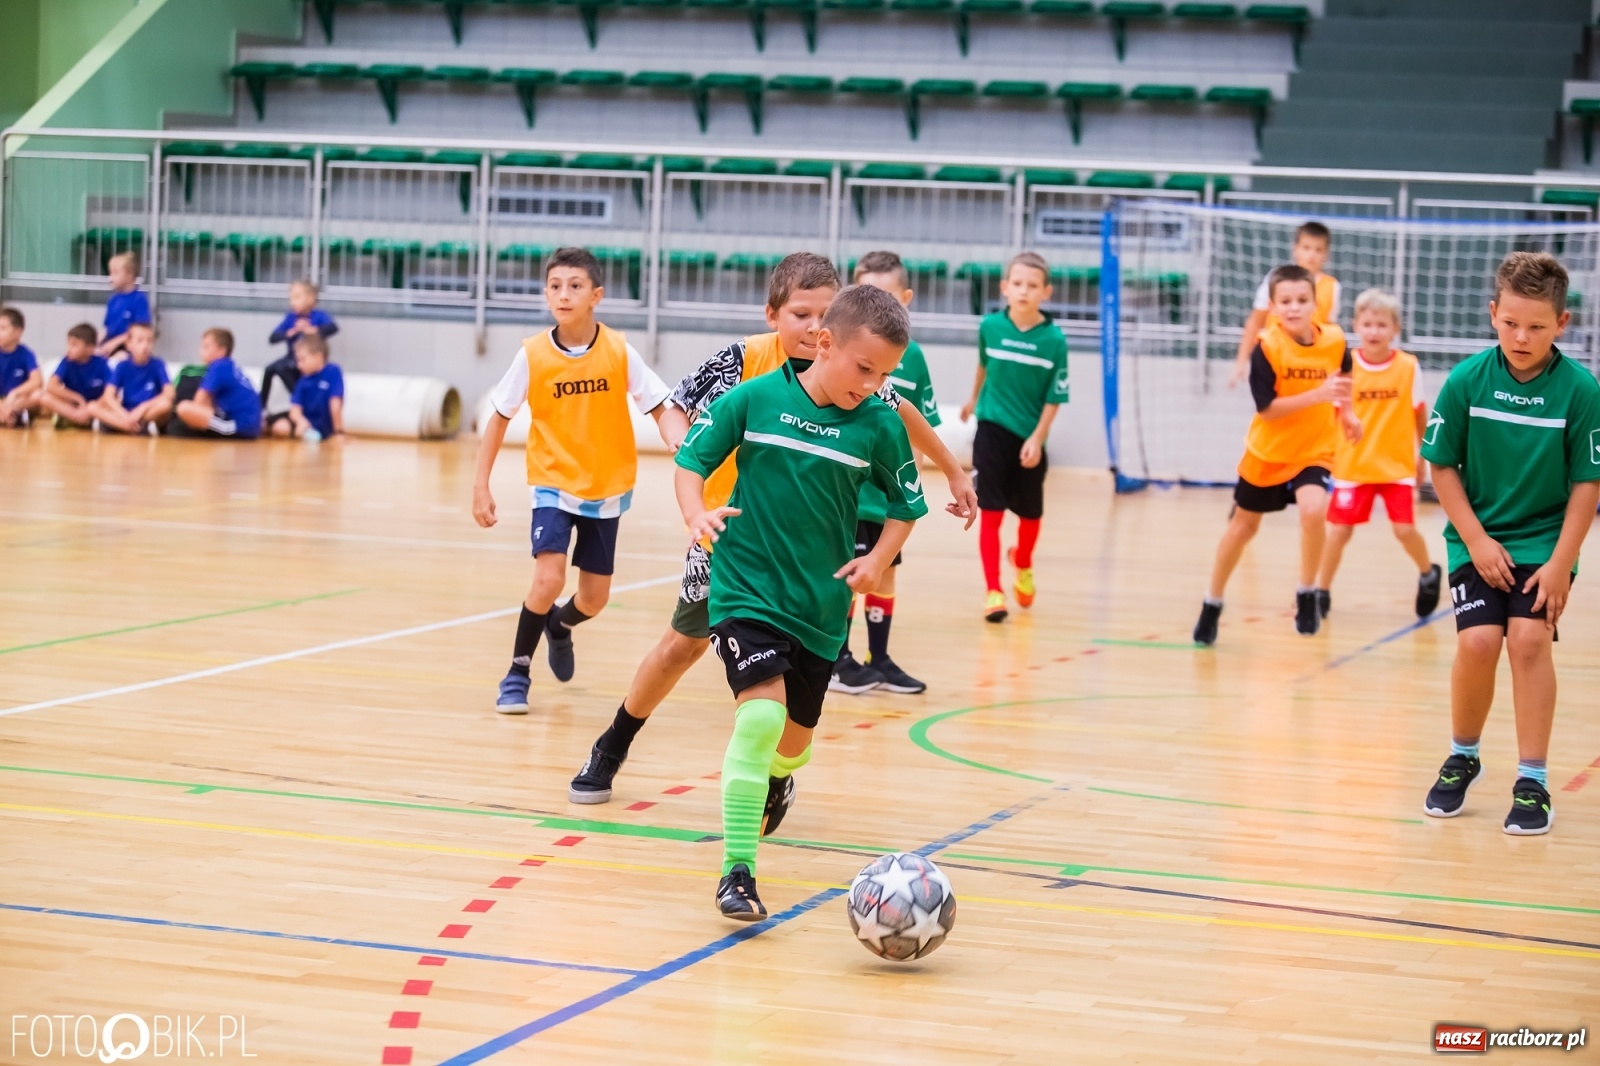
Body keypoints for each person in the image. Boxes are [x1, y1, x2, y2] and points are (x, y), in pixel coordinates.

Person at [564, 252, 974, 805]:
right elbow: (676, 406)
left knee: (789, 688)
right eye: (801, 314)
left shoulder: (856, 373)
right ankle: (613, 743)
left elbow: (902, 412)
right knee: (680, 647)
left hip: (803, 553)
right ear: (773, 314)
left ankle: (777, 775)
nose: (813, 326)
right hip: (728, 537)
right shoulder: (743, 361)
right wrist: (688, 457)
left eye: (824, 314)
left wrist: (953, 471)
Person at [675, 284, 929, 920]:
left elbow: (905, 507)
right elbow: (689, 462)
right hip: (746, 587)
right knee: (759, 720)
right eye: (864, 368)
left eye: (885, 375)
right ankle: (737, 872)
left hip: (820, 606)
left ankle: (779, 776)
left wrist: (877, 560)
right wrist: (696, 513)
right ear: (824, 342)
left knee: (792, 746)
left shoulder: (878, 426)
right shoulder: (755, 399)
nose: (872, 385)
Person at [1420, 252, 1600, 836]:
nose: (1521, 337)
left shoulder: (1581, 391)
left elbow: (1588, 483)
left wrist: (1561, 563)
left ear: (1562, 323)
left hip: (1545, 541)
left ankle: (1533, 781)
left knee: (1528, 640)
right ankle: (1462, 755)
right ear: (1493, 313)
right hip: (1477, 537)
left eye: (1537, 326)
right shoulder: (1467, 380)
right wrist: (1475, 540)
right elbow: (1441, 467)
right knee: (1477, 643)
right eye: (1511, 323)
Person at [473, 246, 687, 715]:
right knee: (548, 579)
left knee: (594, 599)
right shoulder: (532, 354)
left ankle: (560, 625)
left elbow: (659, 404)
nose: (563, 295)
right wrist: (481, 485)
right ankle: (517, 673)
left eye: (574, 286)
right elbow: (499, 417)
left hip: (606, 486)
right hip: (552, 480)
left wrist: (678, 439)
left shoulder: (618, 350)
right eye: (555, 286)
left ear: (596, 295)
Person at [1193, 264, 1355, 646]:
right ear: (1272, 305)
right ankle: (1212, 601)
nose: (1294, 307)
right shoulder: (1266, 348)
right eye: (1285, 301)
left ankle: (1307, 591)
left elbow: (1345, 374)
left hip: (1315, 447)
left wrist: (1348, 414)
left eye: (1301, 300)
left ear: (1315, 303)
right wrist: (1318, 395)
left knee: (1314, 510)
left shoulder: (1334, 340)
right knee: (1243, 528)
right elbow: (1267, 410)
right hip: (1269, 451)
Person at [832, 250, 943, 695]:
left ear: (906, 299)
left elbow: (922, 424)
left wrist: (912, 481)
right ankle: (837, 660)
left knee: (885, 571)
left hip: (887, 491)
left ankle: (879, 657)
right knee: (847, 571)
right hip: (851, 488)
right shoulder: (844, 357)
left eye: (887, 296)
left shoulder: (912, 358)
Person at [1312, 288, 1441, 618]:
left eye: (1382, 325)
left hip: (1396, 466)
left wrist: (1422, 458)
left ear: (1395, 328)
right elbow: (1330, 416)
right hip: (1352, 464)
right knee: (1339, 532)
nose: (1374, 331)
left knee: (1404, 530)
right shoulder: (1345, 366)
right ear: (1356, 325)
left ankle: (1428, 574)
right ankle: (1320, 591)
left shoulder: (1408, 367)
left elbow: (1420, 416)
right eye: (1367, 324)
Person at [959, 251, 1069, 623]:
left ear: (1046, 292)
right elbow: (983, 365)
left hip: (1029, 438)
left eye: (1032, 285)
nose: (1024, 291)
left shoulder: (1054, 340)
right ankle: (993, 590)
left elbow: (1055, 396)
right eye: (1017, 283)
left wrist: (1037, 438)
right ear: (1005, 287)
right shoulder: (990, 327)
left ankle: (1022, 560)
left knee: (1031, 516)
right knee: (990, 512)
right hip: (991, 430)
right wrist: (973, 399)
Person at [1228, 221, 1339, 388]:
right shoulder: (1276, 279)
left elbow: (1328, 330)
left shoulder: (1332, 287)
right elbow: (1256, 321)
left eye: (1318, 250)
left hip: (1311, 365)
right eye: (1306, 248)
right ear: (1295, 249)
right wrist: (1241, 361)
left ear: (1326, 254)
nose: (1311, 255)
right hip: (1276, 358)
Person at [263, 280, 339, 430]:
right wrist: (289, 333)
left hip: (311, 360)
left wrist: (313, 330)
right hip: (292, 358)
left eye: (297, 297)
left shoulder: (318, 316)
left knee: (287, 370)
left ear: (310, 299)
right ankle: (261, 407)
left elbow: (333, 328)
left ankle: (302, 404)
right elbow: (273, 338)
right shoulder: (291, 318)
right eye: (291, 298)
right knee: (271, 369)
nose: (292, 302)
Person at [170, 328, 263, 439]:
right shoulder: (231, 366)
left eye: (206, 347)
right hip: (251, 426)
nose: (201, 351)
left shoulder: (218, 367)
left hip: (237, 426)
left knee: (184, 408)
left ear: (221, 351)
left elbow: (199, 401)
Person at [89, 321, 173, 435]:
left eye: (149, 341)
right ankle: (133, 427)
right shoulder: (122, 366)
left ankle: (120, 426)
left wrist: (143, 407)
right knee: (92, 407)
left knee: (165, 405)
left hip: (147, 413)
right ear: (129, 344)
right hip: (126, 411)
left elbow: (169, 393)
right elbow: (109, 395)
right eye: (140, 340)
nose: (145, 345)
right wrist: (124, 415)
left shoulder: (158, 364)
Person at [38, 324, 112, 428]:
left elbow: (110, 392)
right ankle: (79, 418)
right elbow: (51, 386)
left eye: (74, 345)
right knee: (44, 398)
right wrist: (77, 398)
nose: (69, 349)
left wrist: (89, 409)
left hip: (95, 405)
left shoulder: (102, 363)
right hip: (74, 405)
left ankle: (75, 419)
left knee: (111, 403)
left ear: (90, 348)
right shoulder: (66, 362)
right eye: (68, 344)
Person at [279, 333, 343, 441]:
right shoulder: (303, 381)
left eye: (302, 360)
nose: (299, 365)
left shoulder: (333, 371)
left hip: (327, 431)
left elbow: (335, 404)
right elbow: (295, 410)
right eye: (297, 360)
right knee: (283, 428)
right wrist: (301, 421)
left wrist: (339, 432)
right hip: (309, 429)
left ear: (318, 357)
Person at [97, 252, 151, 359]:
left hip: (128, 348)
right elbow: (106, 328)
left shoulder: (139, 299)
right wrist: (93, 343)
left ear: (129, 274)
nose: (110, 278)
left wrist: (114, 343)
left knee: (121, 358)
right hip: (110, 344)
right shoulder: (113, 299)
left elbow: (140, 331)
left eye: (115, 273)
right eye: (110, 273)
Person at [0, 307, 41, 428]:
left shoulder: (26, 354)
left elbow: (36, 380)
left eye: (3, 328)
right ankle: (8, 416)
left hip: (17, 400)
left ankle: (11, 415)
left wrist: (14, 393)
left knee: (38, 394)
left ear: (18, 332)